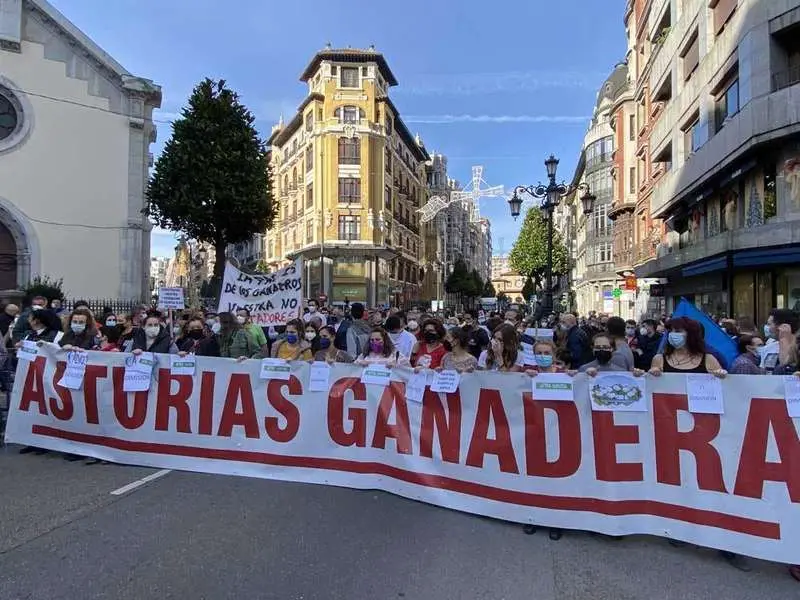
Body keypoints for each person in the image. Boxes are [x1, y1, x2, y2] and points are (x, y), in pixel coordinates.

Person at [649, 317, 727, 378]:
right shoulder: (658, 359)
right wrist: (649, 375)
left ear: (691, 335)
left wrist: (720, 375)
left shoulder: (709, 359)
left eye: (678, 331)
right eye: (670, 331)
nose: (672, 334)